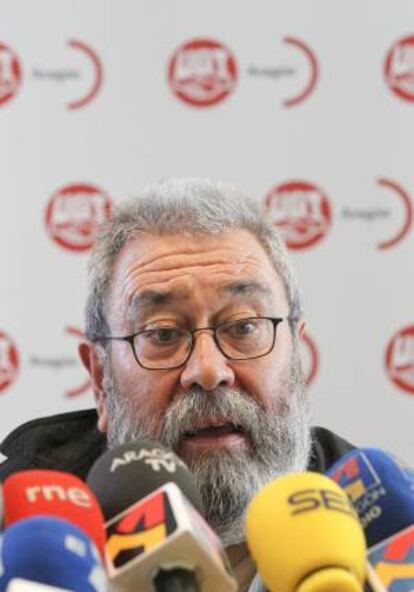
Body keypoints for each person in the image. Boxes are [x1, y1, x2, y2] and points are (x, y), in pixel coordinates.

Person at [0, 178, 353, 591]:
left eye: (243, 327)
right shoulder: (21, 539)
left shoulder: (380, 532)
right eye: (163, 334)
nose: (208, 370)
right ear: (100, 381)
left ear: (295, 357)